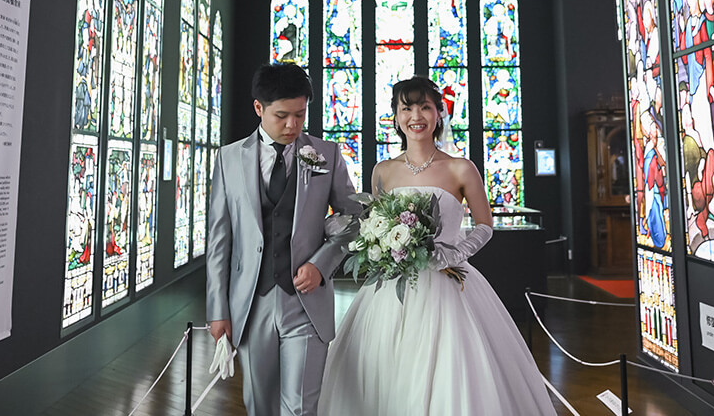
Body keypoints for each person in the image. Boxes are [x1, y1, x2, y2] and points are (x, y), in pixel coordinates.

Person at [318, 76, 555, 415]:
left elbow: (485, 225)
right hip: (394, 288)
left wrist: (454, 253)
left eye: (425, 107)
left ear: (440, 113)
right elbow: (377, 223)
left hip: (449, 281)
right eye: (406, 108)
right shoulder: (383, 171)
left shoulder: (461, 168)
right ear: (396, 117)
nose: (416, 116)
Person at [206, 63, 359, 416]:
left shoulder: (327, 154)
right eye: (282, 116)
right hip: (250, 301)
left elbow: (353, 220)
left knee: (301, 407)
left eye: (300, 115)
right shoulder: (228, 159)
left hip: (306, 303)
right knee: (258, 404)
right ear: (259, 108)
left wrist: (322, 264)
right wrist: (218, 310)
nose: (292, 125)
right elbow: (219, 241)